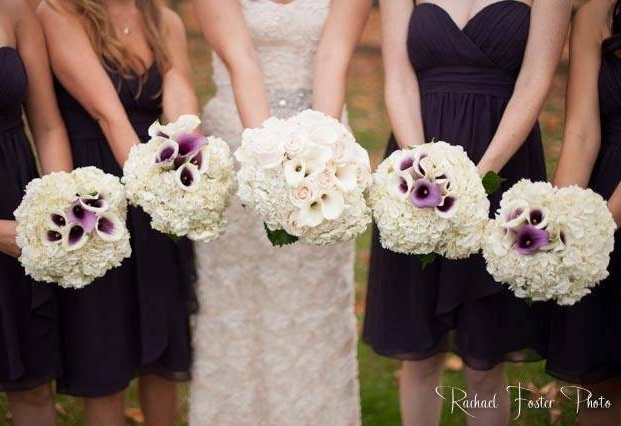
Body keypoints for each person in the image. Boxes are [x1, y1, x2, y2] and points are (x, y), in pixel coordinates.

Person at [363, 1, 570, 424]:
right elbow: (399, 77)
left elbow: (535, 80)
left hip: (503, 165)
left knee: (485, 362)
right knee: (418, 355)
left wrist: (476, 181)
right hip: (416, 170)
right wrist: (419, 169)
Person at [188, 0, 370, 424]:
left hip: (324, 143)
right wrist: (271, 166)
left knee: (313, 306)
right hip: (241, 146)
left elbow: (333, 55)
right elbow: (241, 58)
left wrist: (319, 160)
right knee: (238, 308)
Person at [37, 0, 197, 424]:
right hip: (96, 201)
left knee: (163, 355)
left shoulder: (164, 20)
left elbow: (180, 99)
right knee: (103, 357)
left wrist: (188, 163)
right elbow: (107, 113)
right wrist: (155, 189)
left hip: (154, 189)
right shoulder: (58, 13)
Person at [0, 0, 73, 424]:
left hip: (16, 210)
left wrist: (58, 215)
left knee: (34, 386)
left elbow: (49, 126)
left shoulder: (13, 9)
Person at [548, 0, 621, 423]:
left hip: (609, 214)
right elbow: (580, 132)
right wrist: (557, 230)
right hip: (605, 194)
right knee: (600, 386)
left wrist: (599, 227)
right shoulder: (598, 12)